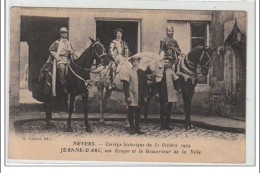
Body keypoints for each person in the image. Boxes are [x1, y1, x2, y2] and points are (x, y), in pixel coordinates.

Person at [121, 56, 145, 135]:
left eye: (137, 62)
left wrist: (145, 95)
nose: (135, 63)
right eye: (134, 62)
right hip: (131, 95)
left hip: (140, 95)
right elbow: (125, 85)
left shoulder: (142, 72)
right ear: (131, 63)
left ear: (139, 63)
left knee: (138, 112)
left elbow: (146, 85)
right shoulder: (128, 72)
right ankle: (132, 127)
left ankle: (137, 127)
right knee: (131, 111)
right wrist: (127, 96)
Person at [48, 27, 74, 94]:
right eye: (63, 33)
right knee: (62, 68)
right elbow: (51, 50)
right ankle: (63, 85)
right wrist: (56, 56)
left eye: (65, 33)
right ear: (60, 34)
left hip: (67, 59)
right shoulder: (57, 42)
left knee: (72, 69)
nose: (64, 35)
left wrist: (71, 52)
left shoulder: (68, 42)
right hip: (60, 59)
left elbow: (71, 50)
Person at [158, 57, 179, 130]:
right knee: (162, 109)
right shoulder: (159, 71)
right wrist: (157, 92)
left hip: (170, 92)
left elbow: (176, 80)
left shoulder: (171, 71)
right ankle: (162, 125)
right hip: (162, 92)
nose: (166, 64)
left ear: (170, 63)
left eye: (168, 62)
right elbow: (157, 83)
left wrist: (176, 89)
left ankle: (167, 124)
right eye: (165, 62)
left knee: (168, 110)